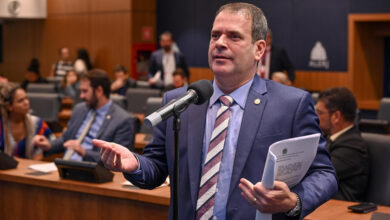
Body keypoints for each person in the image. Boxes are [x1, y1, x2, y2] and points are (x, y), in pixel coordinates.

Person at [94, 3, 337, 219]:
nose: (220, 43)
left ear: (259, 49)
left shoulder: (291, 104)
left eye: (233, 36)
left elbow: (324, 174)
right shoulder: (179, 101)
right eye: (215, 35)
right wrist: (134, 164)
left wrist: (293, 202)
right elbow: (157, 169)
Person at [33, 69, 136, 162]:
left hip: (95, 175)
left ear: (99, 91)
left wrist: (84, 152)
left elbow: (118, 159)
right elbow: (66, 139)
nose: (81, 96)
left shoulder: (123, 120)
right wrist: (49, 145)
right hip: (66, 167)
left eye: (85, 91)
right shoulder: (79, 109)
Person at [316, 87, 369, 202]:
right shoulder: (326, 137)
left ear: (336, 116)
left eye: (320, 113)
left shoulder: (353, 146)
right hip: (323, 205)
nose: (315, 117)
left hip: (340, 210)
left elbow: (319, 174)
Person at [0, 83, 54, 160]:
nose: (26, 102)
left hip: (29, 169)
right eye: (20, 101)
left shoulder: (37, 123)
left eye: (26, 98)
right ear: (9, 106)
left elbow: (52, 144)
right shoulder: (1, 125)